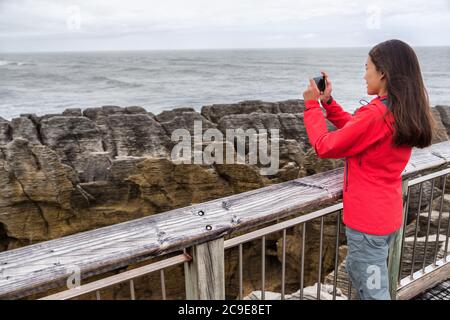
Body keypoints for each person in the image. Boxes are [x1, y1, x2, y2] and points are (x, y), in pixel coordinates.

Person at [302, 39, 438, 300]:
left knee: (375, 292)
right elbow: (358, 129)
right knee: (362, 274)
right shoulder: (399, 109)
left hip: (367, 225)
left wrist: (311, 106)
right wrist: (328, 104)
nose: (364, 74)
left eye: (367, 68)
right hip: (386, 217)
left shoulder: (377, 113)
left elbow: (325, 145)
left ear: (383, 72)